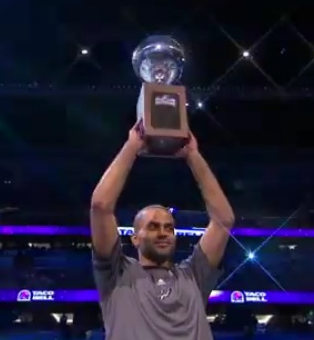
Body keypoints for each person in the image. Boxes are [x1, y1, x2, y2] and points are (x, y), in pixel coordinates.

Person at [90, 122, 235, 340]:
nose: (163, 232)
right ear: (135, 238)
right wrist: (132, 147)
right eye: (153, 226)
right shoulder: (117, 274)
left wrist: (193, 156)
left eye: (169, 227)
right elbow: (101, 207)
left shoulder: (194, 275)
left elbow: (224, 220)